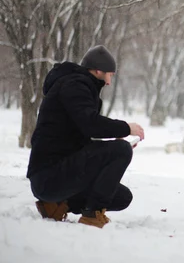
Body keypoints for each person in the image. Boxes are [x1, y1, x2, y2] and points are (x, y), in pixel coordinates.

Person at [26, 45, 145, 228]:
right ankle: (91, 215)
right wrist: (126, 128)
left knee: (121, 197)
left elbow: (80, 138)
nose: (109, 82)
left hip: (58, 174)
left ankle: (57, 205)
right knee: (120, 150)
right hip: (49, 177)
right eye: (110, 75)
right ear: (98, 71)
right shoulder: (75, 85)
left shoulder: (79, 87)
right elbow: (91, 125)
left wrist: (115, 146)